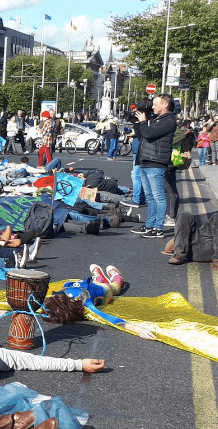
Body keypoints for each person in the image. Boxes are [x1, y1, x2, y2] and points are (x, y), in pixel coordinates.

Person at [42, 264, 156, 341]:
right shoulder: (60, 294)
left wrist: (135, 328)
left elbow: (106, 317)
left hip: (105, 290)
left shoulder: (86, 302)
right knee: (92, 283)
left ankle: (116, 277)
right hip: (81, 285)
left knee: (115, 287)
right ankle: (98, 277)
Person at [133, 93, 177, 239]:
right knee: (150, 197)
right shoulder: (158, 119)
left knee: (158, 197)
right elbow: (142, 135)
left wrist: (144, 122)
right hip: (146, 160)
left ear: (165, 104)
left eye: (155, 104)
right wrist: (139, 121)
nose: (153, 107)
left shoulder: (169, 121)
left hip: (156, 162)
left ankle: (158, 228)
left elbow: (150, 134)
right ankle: (150, 224)